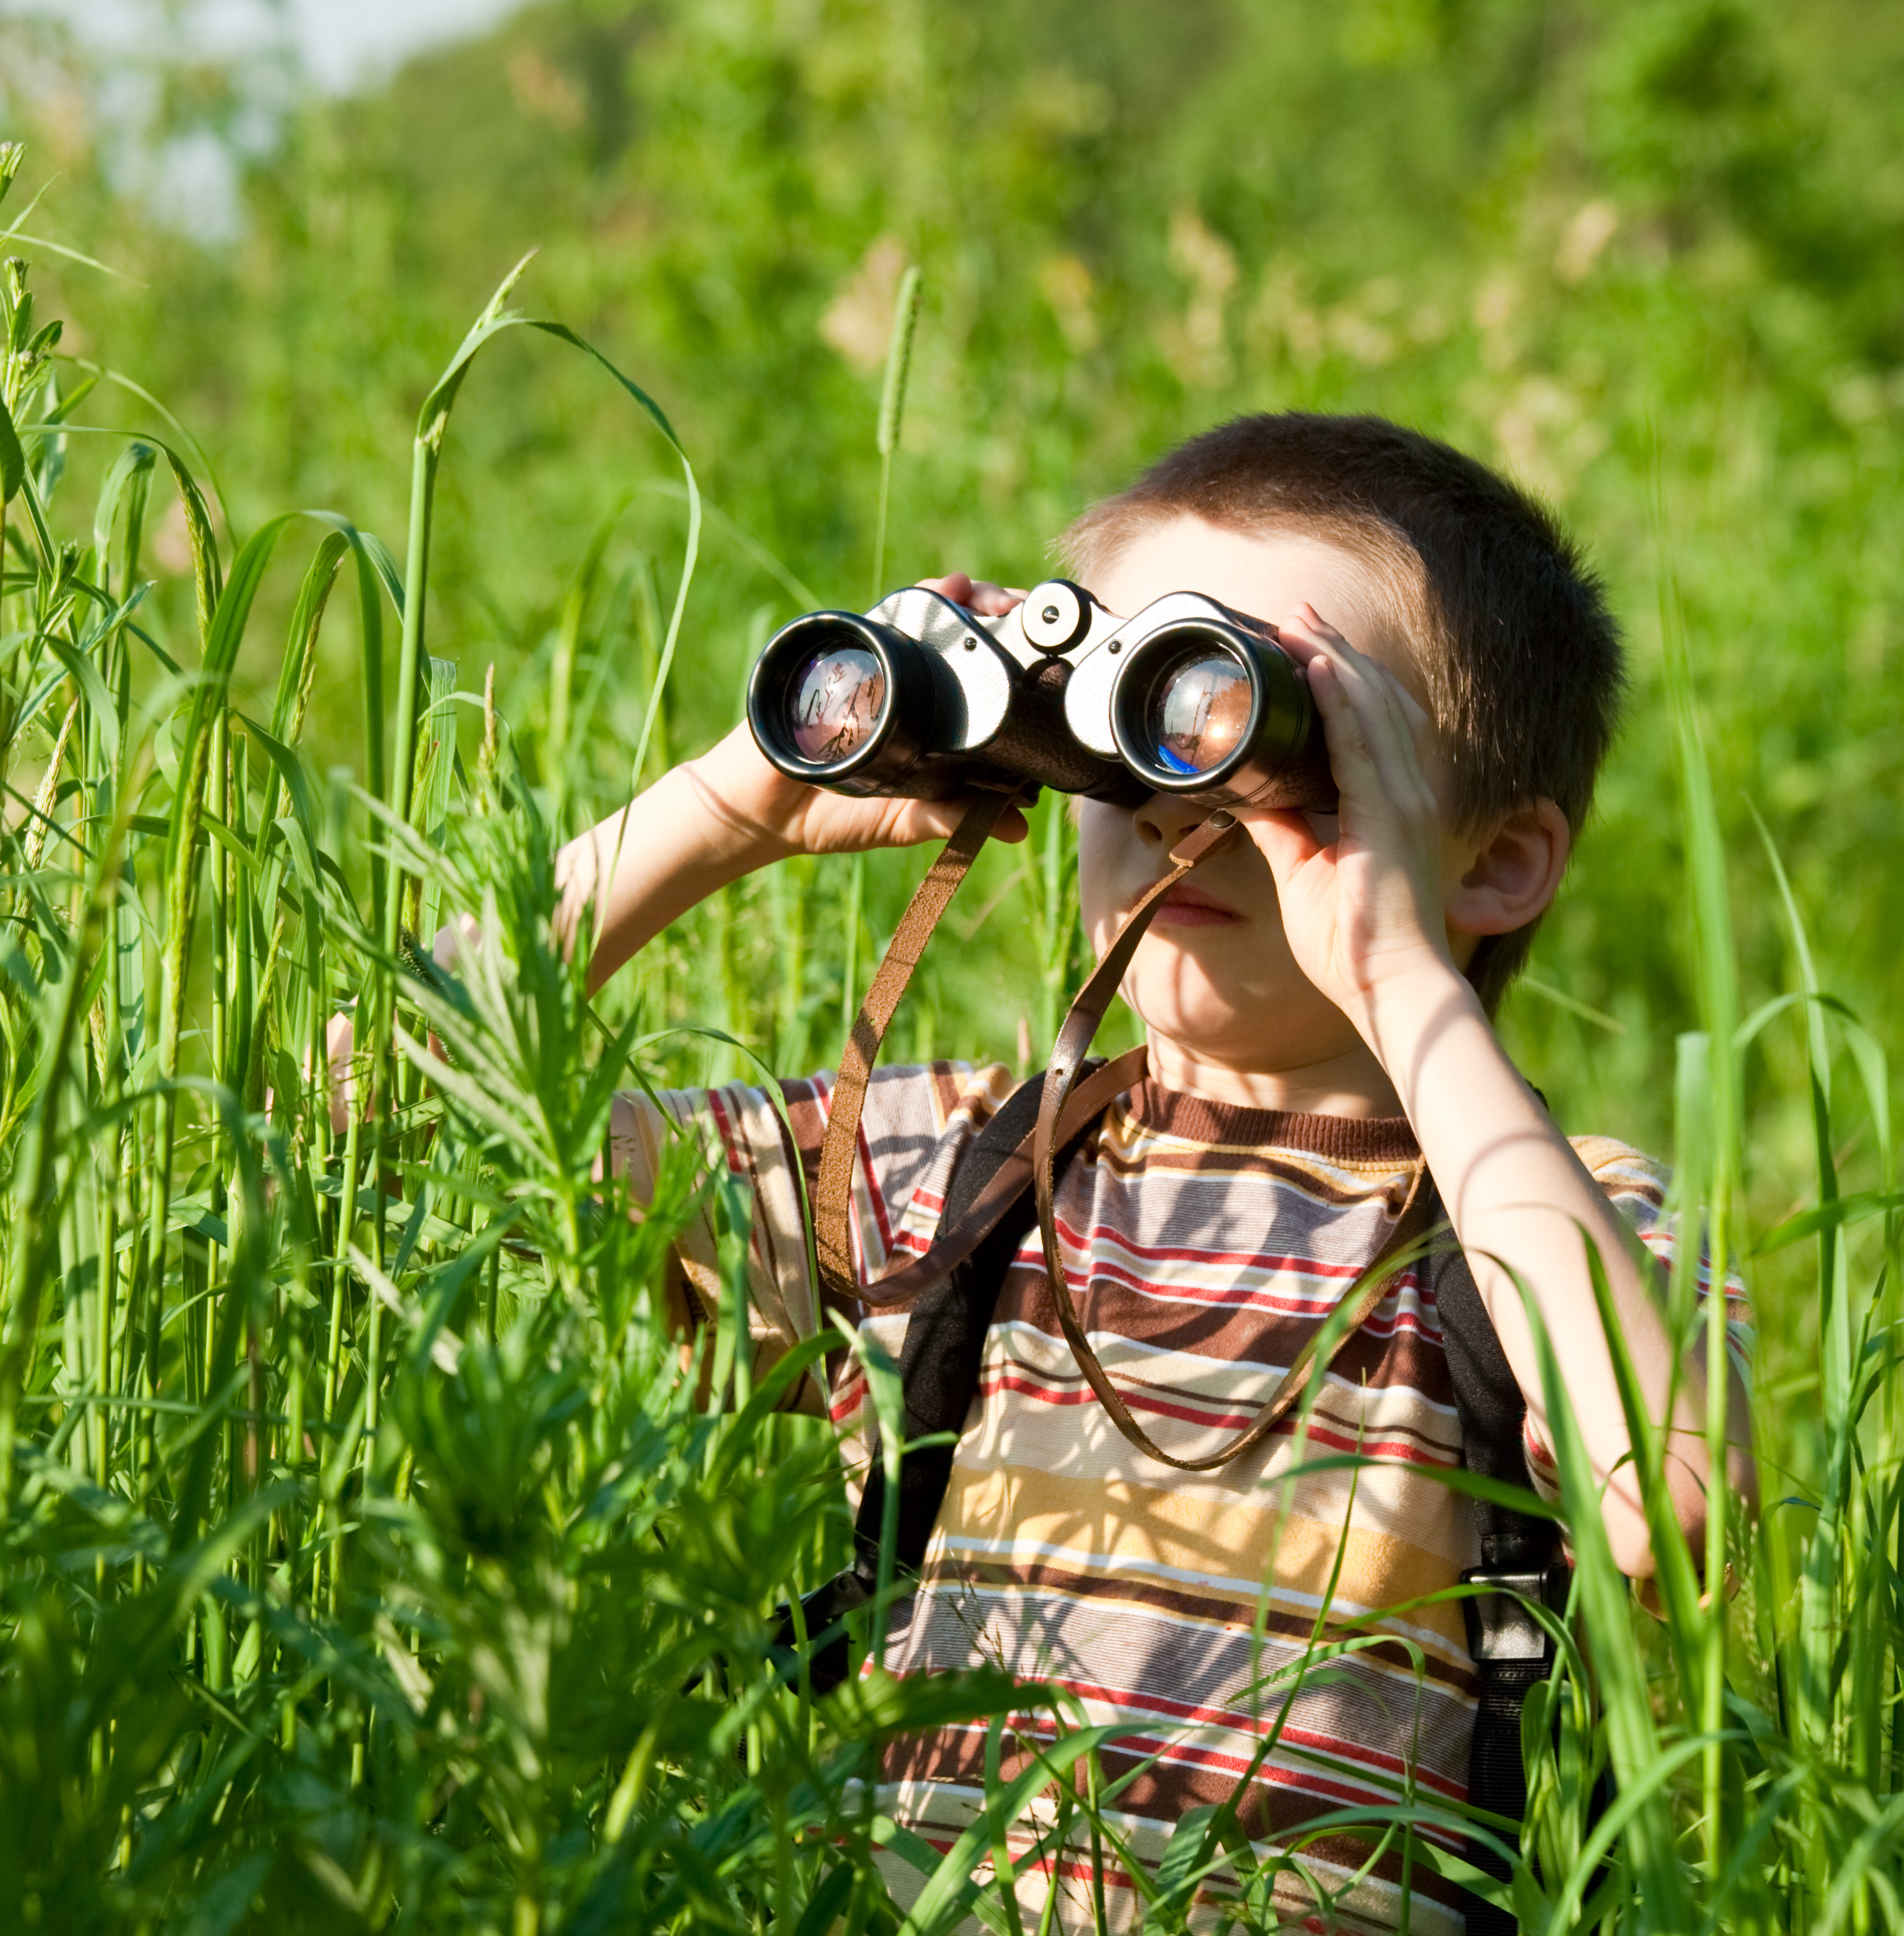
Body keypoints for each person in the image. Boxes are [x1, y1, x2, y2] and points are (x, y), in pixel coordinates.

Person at [576, 413, 1756, 1932]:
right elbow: (385, 1094)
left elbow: (1666, 1494)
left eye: (1282, 736)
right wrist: (731, 805)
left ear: (1496, 859)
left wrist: (1402, 979)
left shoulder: (1551, 1212)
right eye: (1126, 715)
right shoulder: (944, 1166)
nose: (1177, 800)